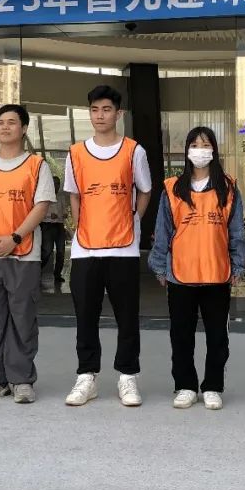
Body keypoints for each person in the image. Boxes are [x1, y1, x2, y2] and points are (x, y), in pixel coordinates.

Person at [64, 85, 152, 407]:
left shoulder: (133, 151)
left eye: (106, 109)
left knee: (127, 317)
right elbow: (74, 195)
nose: (100, 116)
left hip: (122, 248)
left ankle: (127, 376)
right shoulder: (76, 152)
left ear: (119, 113)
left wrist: (134, 220)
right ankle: (86, 376)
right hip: (85, 248)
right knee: (85, 317)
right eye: (94, 110)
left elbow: (145, 190)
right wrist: (80, 227)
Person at [150, 127, 245, 411]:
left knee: (218, 337)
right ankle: (185, 385)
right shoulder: (172, 188)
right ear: (187, 151)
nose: (200, 150)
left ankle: (213, 386)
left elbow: (236, 231)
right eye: (194, 144)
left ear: (214, 150)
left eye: (205, 145)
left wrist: (238, 264)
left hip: (217, 274)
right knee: (181, 335)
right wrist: (160, 267)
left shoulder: (228, 188)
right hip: (181, 274)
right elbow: (162, 231)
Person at [0, 104, 54, 404]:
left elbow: (41, 206)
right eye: (0, 122)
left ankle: (21, 379)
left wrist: (15, 237)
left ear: (24, 128)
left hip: (23, 255)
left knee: (22, 319)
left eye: (12, 122)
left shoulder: (36, 165)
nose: (5, 127)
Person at [40, 175, 67, 288]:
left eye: (58, 184)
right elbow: (39, 213)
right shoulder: (44, 195)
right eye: (54, 183)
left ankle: (57, 274)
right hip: (47, 225)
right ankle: (37, 271)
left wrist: (64, 214)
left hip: (59, 225)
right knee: (47, 250)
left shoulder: (61, 197)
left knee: (61, 251)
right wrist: (48, 215)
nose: (56, 186)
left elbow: (64, 210)